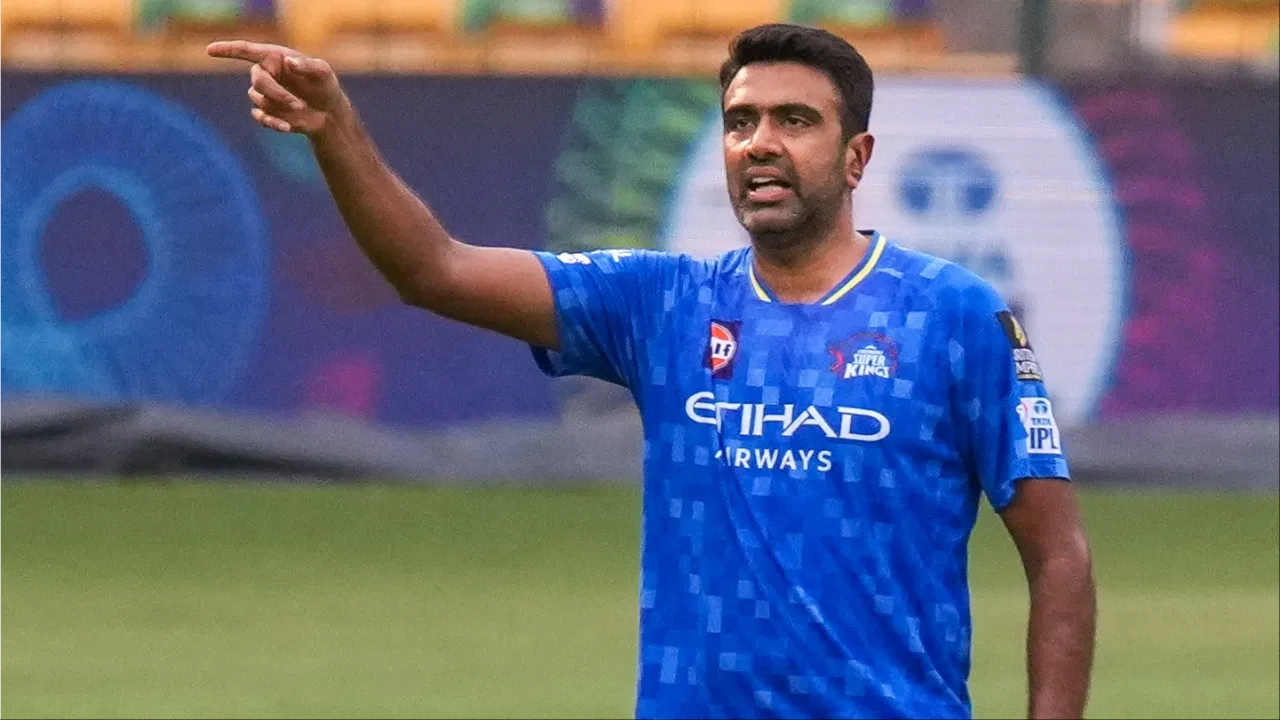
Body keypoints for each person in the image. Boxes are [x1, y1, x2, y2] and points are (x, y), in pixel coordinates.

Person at [208, 22, 1096, 720]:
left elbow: (1058, 555)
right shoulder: (663, 304)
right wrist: (336, 131)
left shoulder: (955, 317)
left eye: (795, 121)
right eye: (741, 122)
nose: (760, 143)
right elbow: (434, 269)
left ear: (856, 157)